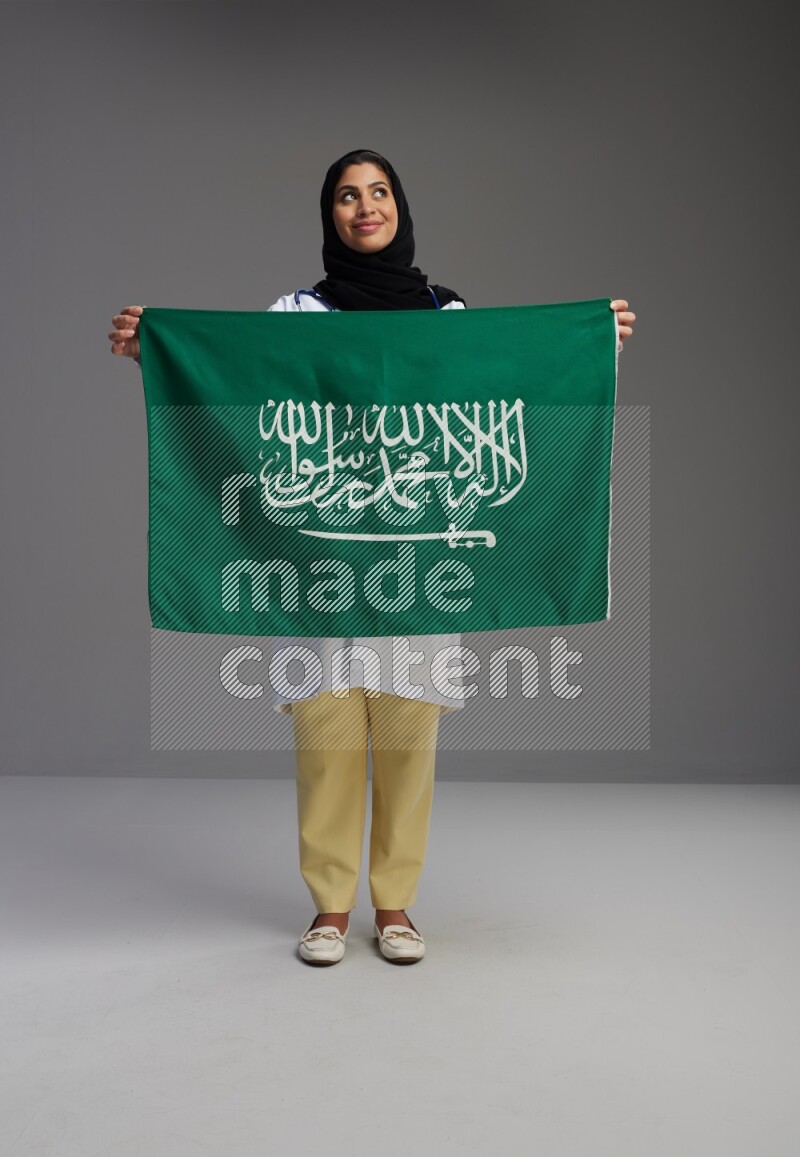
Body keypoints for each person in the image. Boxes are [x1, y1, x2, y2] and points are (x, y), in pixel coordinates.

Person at [109, 148, 636, 967]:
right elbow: (234, 387)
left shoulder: (446, 313)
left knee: (405, 733)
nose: (365, 207)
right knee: (324, 733)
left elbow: (508, 382)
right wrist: (160, 350)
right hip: (319, 554)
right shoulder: (294, 314)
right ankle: (328, 907)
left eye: (378, 192)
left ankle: (394, 905)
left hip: (418, 558)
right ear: (330, 216)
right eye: (348, 196)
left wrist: (591, 344)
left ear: (399, 207)